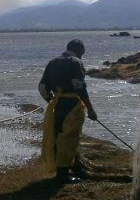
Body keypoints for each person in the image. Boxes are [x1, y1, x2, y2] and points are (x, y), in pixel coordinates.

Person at [39, 39, 97, 183]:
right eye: (82, 52)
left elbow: (42, 87)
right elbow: (79, 86)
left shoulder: (52, 62)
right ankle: (63, 175)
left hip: (57, 105)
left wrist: (51, 101)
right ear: (77, 49)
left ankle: (65, 169)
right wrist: (90, 109)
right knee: (69, 138)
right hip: (72, 105)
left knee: (58, 136)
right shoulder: (75, 62)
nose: (82, 56)